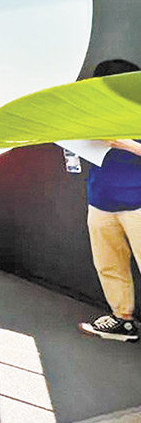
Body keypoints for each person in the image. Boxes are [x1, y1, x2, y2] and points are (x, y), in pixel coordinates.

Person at [78, 58, 141, 342]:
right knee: (108, 265)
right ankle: (122, 320)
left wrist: (127, 144)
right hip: (101, 199)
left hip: (137, 202)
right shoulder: (96, 112)